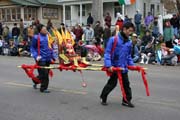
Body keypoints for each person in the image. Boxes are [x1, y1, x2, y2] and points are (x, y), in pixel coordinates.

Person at [100, 22, 135, 108]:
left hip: (123, 67)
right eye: (129, 31)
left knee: (126, 84)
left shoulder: (129, 42)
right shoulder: (113, 39)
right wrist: (109, 66)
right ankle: (103, 97)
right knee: (112, 83)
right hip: (114, 67)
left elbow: (128, 56)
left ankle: (126, 100)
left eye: (131, 31)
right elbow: (107, 53)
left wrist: (132, 65)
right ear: (124, 29)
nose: (130, 33)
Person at [31, 25, 54, 93]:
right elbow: (32, 48)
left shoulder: (48, 37)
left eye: (46, 29)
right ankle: (43, 88)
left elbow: (51, 46)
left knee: (43, 74)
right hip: (40, 58)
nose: (46, 30)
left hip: (48, 58)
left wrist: (52, 56)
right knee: (45, 73)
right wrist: (36, 56)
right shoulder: (36, 37)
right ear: (40, 30)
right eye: (44, 29)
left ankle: (35, 80)